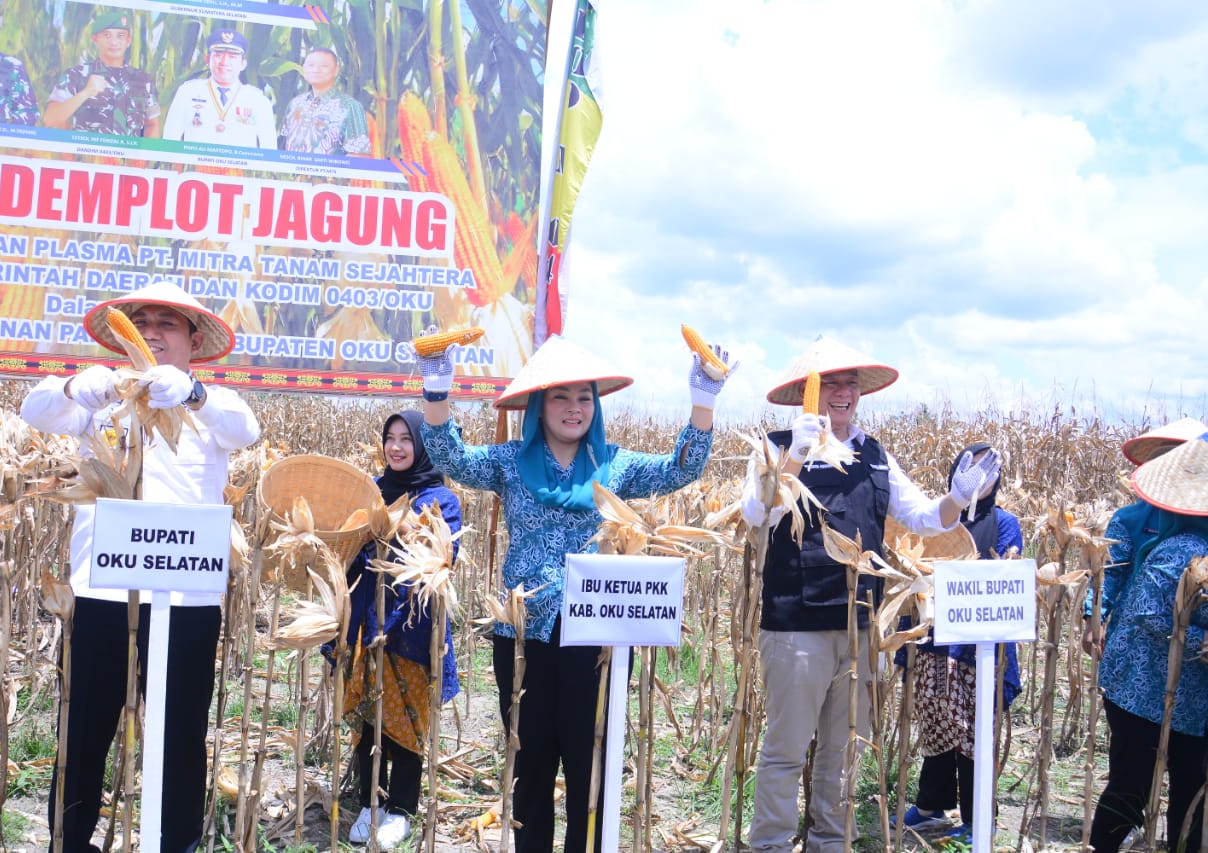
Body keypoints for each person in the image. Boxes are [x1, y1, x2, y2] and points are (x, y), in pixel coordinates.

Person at [417, 332, 730, 852]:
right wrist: (437, 386)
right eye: (560, 397)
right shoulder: (509, 461)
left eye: (584, 397)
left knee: (592, 764)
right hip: (523, 637)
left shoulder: (615, 464)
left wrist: (705, 398)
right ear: (539, 406)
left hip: (597, 638)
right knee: (531, 760)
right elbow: (449, 454)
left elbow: (682, 469)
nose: (574, 408)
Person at [21, 280, 260, 853]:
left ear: (193, 339)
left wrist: (193, 393)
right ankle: (69, 840)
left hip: (186, 600)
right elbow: (36, 408)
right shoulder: (102, 403)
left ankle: (172, 842)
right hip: (102, 590)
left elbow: (246, 429)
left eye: (166, 323)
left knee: (179, 735)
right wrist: (80, 385)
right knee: (83, 733)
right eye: (141, 321)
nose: (151, 331)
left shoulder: (211, 404)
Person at [739, 337, 999, 853]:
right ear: (805, 394)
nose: (840, 392)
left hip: (861, 627)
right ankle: (769, 844)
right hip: (795, 625)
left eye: (848, 383)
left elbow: (923, 518)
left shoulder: (875, 454)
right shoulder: (775, 446)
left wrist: (958, 497)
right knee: (786, 750)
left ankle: (828, 844)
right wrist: (794, 456)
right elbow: (756, 514)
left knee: (843, 750)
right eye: (828, 383)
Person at [894, 443, 1024, 843]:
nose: (980, 480)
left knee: (972, 728)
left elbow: (1003, 574)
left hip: (974, 647)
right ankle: (932, 804)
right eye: (972, 470)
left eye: (988, 472)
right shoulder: (938, 519)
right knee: (935, 719)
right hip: (932, 638)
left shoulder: (1005, 523)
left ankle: (975, 816)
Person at [343, 410, 461, 848]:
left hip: (412, 626)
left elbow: (441, 557)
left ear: (421, 446)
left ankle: (403, 809)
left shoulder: (440, 499)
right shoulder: (371, 491)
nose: (395, 447)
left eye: (405, 439)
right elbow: (350, 549)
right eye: (390, 439)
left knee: (409, 719)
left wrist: (401, 528)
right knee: (367, 718)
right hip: (367, 622)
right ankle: (369, 803)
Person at [1089, 429, 1208, 853]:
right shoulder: (1184, 549)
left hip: (1187, 698)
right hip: (1142, 689)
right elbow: (1146, 610)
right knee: (1134, 784)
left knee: (1191, 787)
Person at [1083, 417, 1208, 657]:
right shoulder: (1130, 518)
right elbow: (1110, 572)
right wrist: (1093, 619)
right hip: (1136, 633)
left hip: (1191, 647)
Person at [43, 9, 159, 137]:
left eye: (120, 36)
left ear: (128, 41)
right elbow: (50, 119)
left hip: (127, 156)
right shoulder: (76, 75)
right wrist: (86, 93)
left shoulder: (144, 80)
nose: (114, 42)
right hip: (86, 154)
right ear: (95, 39)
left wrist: (142, 156)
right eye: (107, 35)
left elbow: (152, 124)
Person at [162, 28, 276, 148]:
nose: (224, 62)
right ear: (207, 60)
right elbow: (169, 140)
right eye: (218, 55)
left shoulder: (257, 99)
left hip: (238, 166)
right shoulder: (188, 92)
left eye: (232, 56)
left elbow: (269, 148)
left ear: (243, 64)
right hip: (195, 166)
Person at [280, 47, 371, 155]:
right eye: (311, 65)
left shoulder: (351, 106)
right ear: (304, 69)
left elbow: (359, 155)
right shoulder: (295, 103)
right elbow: (283, 143)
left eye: (324, 66)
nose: (316, 70)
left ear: (336, 70)